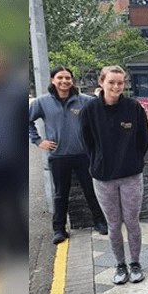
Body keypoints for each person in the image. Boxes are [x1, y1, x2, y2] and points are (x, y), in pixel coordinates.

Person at [80, 65, 148, 284]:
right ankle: (120, 265)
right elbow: (86, 142)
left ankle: (135, 263)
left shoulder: (133, 108)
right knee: (113, 224)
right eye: (111, 82)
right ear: (101, 82)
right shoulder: (89, 110)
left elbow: (144, 139)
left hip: (130, 175)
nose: (116, 87)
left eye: (120, 83)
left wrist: (134, 160)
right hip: (103, 178)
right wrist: (99, 162)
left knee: (132, 222)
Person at [29, 66, 108, 245]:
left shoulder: (85, 101)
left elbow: (101, 115)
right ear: (52, 80)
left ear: (72, 80)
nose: (64, 81)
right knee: (60, 194)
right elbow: (26, 121)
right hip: (58, 156)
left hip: (84, 155)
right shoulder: (42, 102)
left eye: (68, 78)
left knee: (91, 191)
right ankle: (58, 229)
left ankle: (100, 221)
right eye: (60, 78)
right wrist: (38, 141)